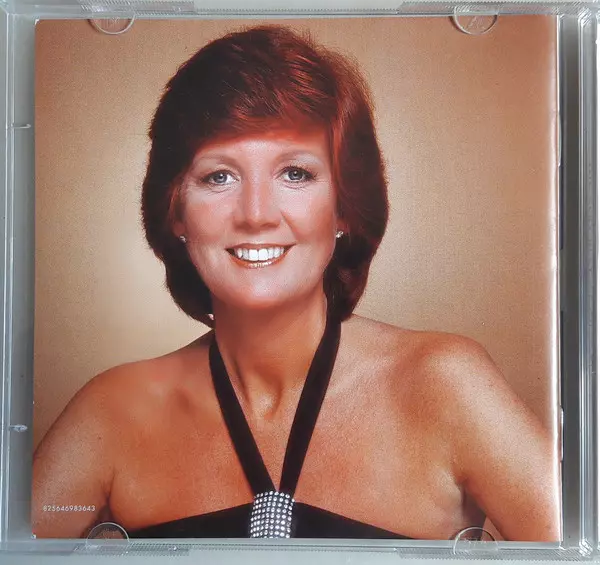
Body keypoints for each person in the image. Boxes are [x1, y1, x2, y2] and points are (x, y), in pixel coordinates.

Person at [32, 25, 560, 541]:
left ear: (344, 207)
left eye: (295, 174)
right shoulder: (112, 412)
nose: (257, 214)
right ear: (176, 213)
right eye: (219, 176)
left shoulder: (444, 386)